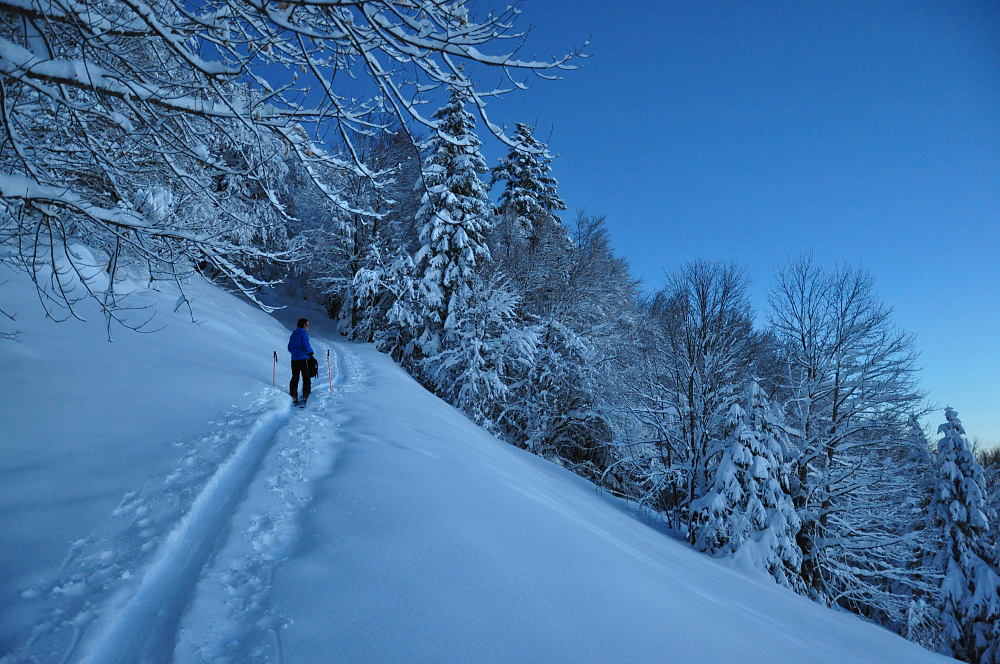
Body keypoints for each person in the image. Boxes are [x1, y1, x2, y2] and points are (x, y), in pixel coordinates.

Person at [287, 318, 314, 406]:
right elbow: (306, 345)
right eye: (307, 324)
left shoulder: (293, 334)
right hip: (303, 359)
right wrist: (310, 352)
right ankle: (306, 395)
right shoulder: (304, 334)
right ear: (304, 324)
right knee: (306, 376)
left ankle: (293, 396)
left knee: (295, 377)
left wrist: (295, 353)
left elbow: (289, 348)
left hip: (294, 359)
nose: (308, 326)